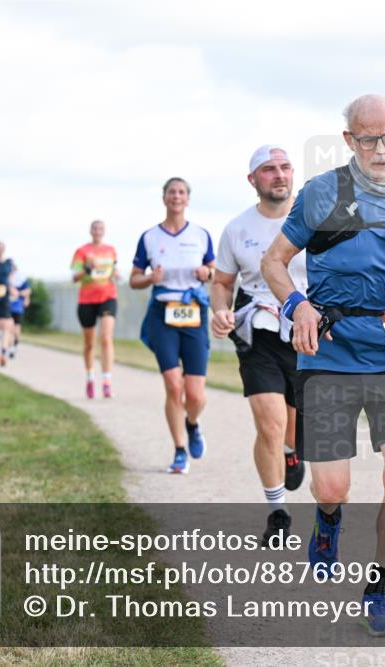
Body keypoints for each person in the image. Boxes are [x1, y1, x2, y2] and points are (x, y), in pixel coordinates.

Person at [261, 94, 385, 637]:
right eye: (368, 138)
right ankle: (328, 521)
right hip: (329, 351)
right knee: (331, 488)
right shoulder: (320, 193)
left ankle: (377, 590)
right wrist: (297, 306)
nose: (381, 148)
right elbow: (274, 262)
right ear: (349, 140)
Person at [211, 145, 308, 546]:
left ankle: (292, 450)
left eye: (285, 167)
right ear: (253, 179)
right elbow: (222, 283)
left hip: (306, 331)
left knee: (296, 428)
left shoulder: (314, 222)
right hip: (258, 331)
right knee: (269, 423)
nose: (279, 175)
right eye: (269, 169)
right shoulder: (237, 229)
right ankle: (278, 512)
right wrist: (220, 310)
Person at [131, 177, 215, 474]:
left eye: (181, 192)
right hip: (163, 313)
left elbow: (214, 271)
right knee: (173, 385)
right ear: (164, 198)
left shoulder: (201, 235)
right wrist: (149, 278)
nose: (176, 196)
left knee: (195, 394)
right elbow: (133, 279)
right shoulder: (150, 237)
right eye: (171, 192)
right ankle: (179, 450)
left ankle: (192, 423)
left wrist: (206, 273)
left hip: (193, 313)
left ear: (187, 199)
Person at [71, 220, 119, 398]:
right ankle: (90, 377)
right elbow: (74, 277)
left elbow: (113, 271)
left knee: (106, 337)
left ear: (104, 231)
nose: (98, 231)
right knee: (89, 343)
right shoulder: (82, 251)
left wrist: (115, 274)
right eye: (95, 228)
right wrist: (87, 269)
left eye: (101, 229)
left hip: (108, 296)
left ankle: (107, 381)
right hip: (87, 300)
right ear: (90, 231)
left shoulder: (110, 250)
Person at [8, 264, 31, 359]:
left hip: (17, 308)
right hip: (7, 307)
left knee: (16, 330)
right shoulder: (5, 278)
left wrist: (25, 297)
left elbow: (28, 290)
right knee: (10, 328)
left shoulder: (20, 278)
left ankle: (15, 345)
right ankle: (9, 348)